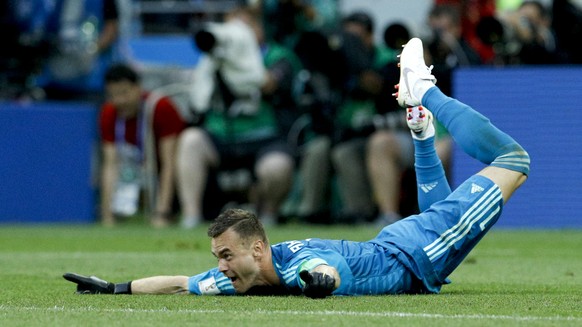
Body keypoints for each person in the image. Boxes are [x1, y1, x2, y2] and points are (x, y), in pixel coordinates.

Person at [64, 38, 530, 297]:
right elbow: (182, 283)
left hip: (414, 254)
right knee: (441, 212)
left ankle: (425, 90)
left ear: (259, 249)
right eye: (219, 258)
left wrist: (320, 283)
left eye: (226, 256)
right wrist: (116, 290)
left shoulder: (295, 264)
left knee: (513, 160)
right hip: (407, 249)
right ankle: (422, 131)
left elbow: (325, 271)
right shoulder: (242, 275)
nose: (220, 267)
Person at [176, 7, 296, 228]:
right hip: (221, 137)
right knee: (189, 140)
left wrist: (239, 62)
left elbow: (268, 84)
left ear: (258, 29)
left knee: (277, 167)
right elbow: (198, 100)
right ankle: (190, 217)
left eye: (243, 27)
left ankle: (268, 215)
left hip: (264, 138)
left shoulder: (277, 56)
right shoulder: (214, 58)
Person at [99, 64, 186, 227]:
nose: (119, 101)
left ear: (138, 88)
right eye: (113, 95)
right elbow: (110, 164)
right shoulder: (109, 113)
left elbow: (169, 163)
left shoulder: (160, 107)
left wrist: (162, 212)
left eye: (124, 93)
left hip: (169, 173)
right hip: (138, 170)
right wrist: (107, 214)